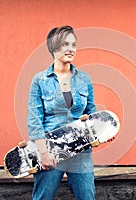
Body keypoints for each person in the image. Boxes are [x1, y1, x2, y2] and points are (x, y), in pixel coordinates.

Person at [27, 25, 97, 200]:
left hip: (81, 150)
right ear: (53, 47)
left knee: (87, 196)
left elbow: (91, 112)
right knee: (43, 197)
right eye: (65, 44)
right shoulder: (39, 80)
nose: (71, 49)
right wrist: (43, 153)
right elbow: (35, 119)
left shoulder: (84, 79)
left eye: (73, 45)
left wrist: (102, 130)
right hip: (50, 150)